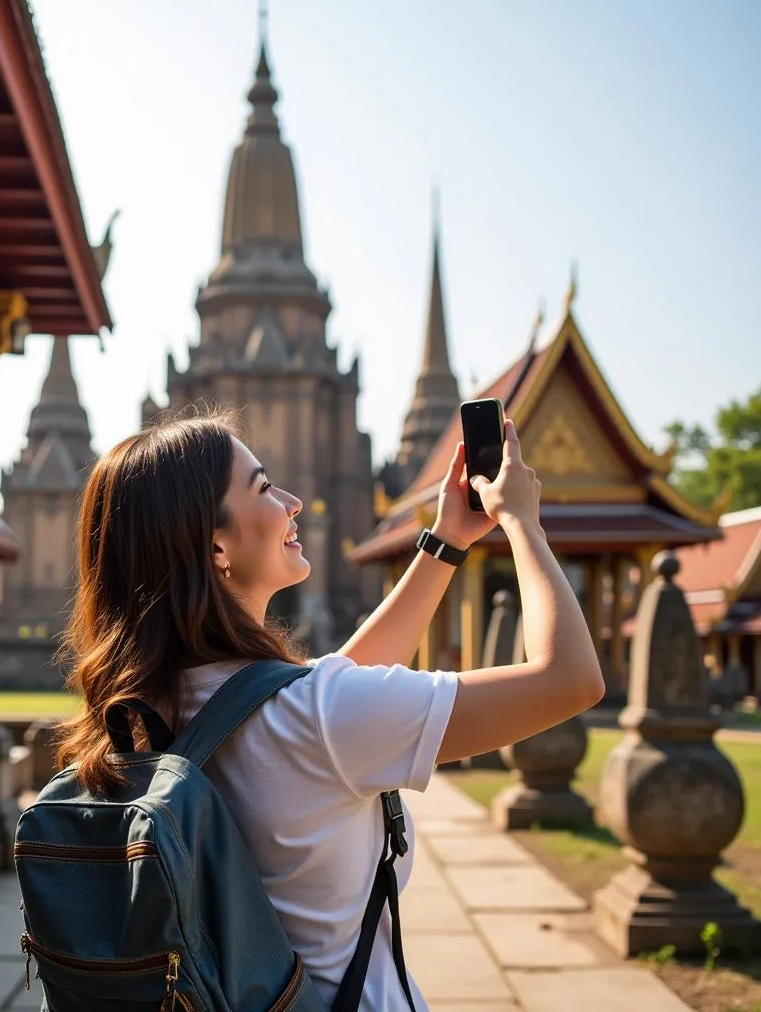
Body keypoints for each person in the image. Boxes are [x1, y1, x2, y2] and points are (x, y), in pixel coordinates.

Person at [56, 410, 604, 1012]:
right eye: (264, 488)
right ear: (216, 545)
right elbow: (570, 680)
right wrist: (522, 522)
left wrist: (445, 542)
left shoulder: (141, 716)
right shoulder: (317, 717)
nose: (292, 503)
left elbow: (328, 691)